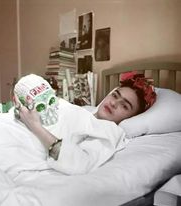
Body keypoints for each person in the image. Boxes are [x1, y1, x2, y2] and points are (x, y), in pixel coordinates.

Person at [12, 72, 156, 175]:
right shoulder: (82, 110)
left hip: (21, 150)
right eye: (115, 95)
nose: (113, 103)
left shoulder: (110, 131)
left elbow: (79, 163)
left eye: (124, 106)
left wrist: (35, 126)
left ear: (131, 117)